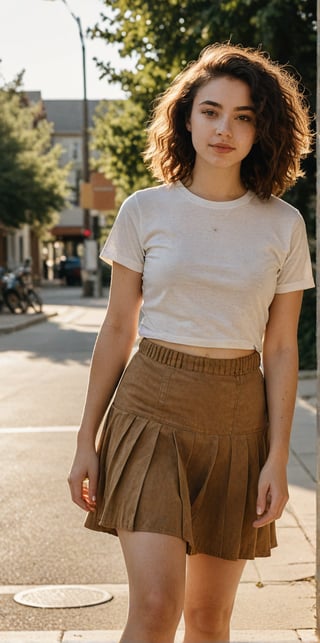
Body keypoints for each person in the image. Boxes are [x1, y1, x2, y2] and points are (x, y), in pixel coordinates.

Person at [68, 42, 315, 643]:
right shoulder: (143, 211)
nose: (224, 128)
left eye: (244, 115)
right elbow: (119, 328)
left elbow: (281, 348)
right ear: (185, 117)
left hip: (236, 421)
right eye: (210, 111)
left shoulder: (283, 224)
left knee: (210, 621)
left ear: (264, 129)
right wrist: (86, 439)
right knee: (154, 610)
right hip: (149, 411)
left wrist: (277, 458)